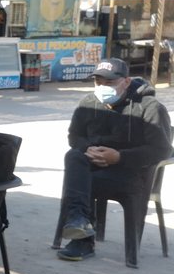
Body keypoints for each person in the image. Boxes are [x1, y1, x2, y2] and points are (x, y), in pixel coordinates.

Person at [56, 58, 172, 261]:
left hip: (132, 174)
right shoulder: (88, 103)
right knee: (73, 156)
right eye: (98, 82)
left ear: (126, 82)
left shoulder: (150, 107)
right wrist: (88, 149)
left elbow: (161, 150)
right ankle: (79, 225)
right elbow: (74, 137)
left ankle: (81, 235)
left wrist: (119, 157)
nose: (102, 87)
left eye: (109, 82)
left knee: (81, 182)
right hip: (93, 165)